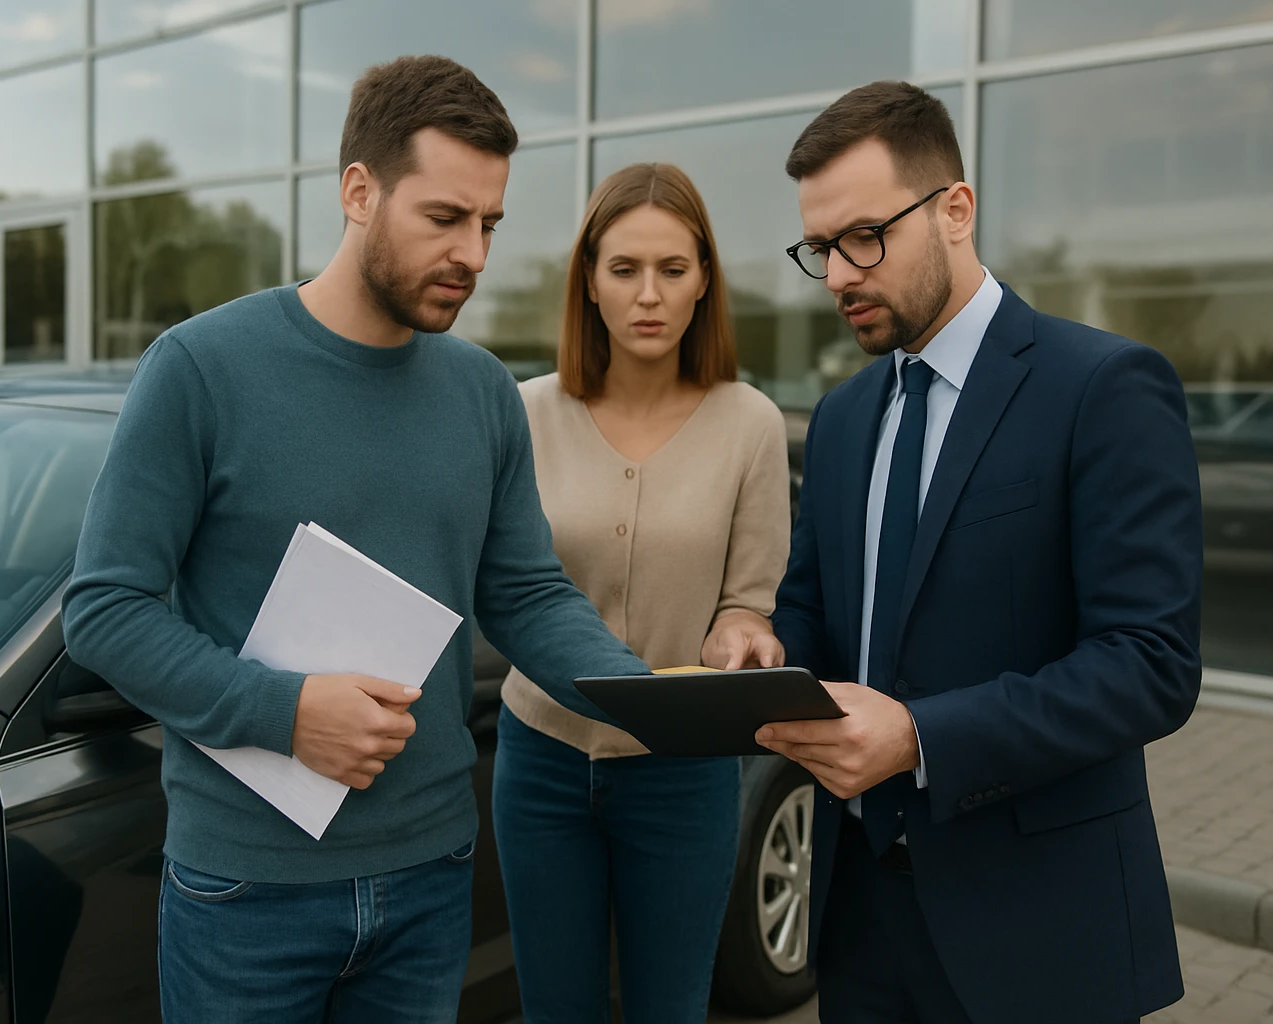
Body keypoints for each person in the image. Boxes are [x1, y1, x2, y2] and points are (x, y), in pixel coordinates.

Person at [62, 56, 648, 1024]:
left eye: (490, 224)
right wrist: (283, 710)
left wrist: (648, 696)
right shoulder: (201, 368)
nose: (473, 253)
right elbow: (104, 608)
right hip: (247, 886)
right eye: (444, 217)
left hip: (433, 869)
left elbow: (525, 594)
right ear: (359, 191)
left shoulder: (483, 392)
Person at [758, 81, 1203, 1024]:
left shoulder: (1104, 387)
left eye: (864, 237)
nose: (837, 276)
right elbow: (813, 605)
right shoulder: (840, 418)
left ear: (955, 210)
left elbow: (1150, 665)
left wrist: (920, 739)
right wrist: (764, 652)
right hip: (859, 916)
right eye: (821, 248)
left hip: (1038, 927)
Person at [492, 162, 792, 1024]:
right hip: (541, 759)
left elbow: (748, 600)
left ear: (704, 281)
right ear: (589, 282)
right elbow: (500, 583)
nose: (649, 295)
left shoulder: (752, 424)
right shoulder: (522, 414)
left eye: (672, 269)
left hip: (684, 772)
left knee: (672, 1009)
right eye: (624, 269)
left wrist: (742, 633)